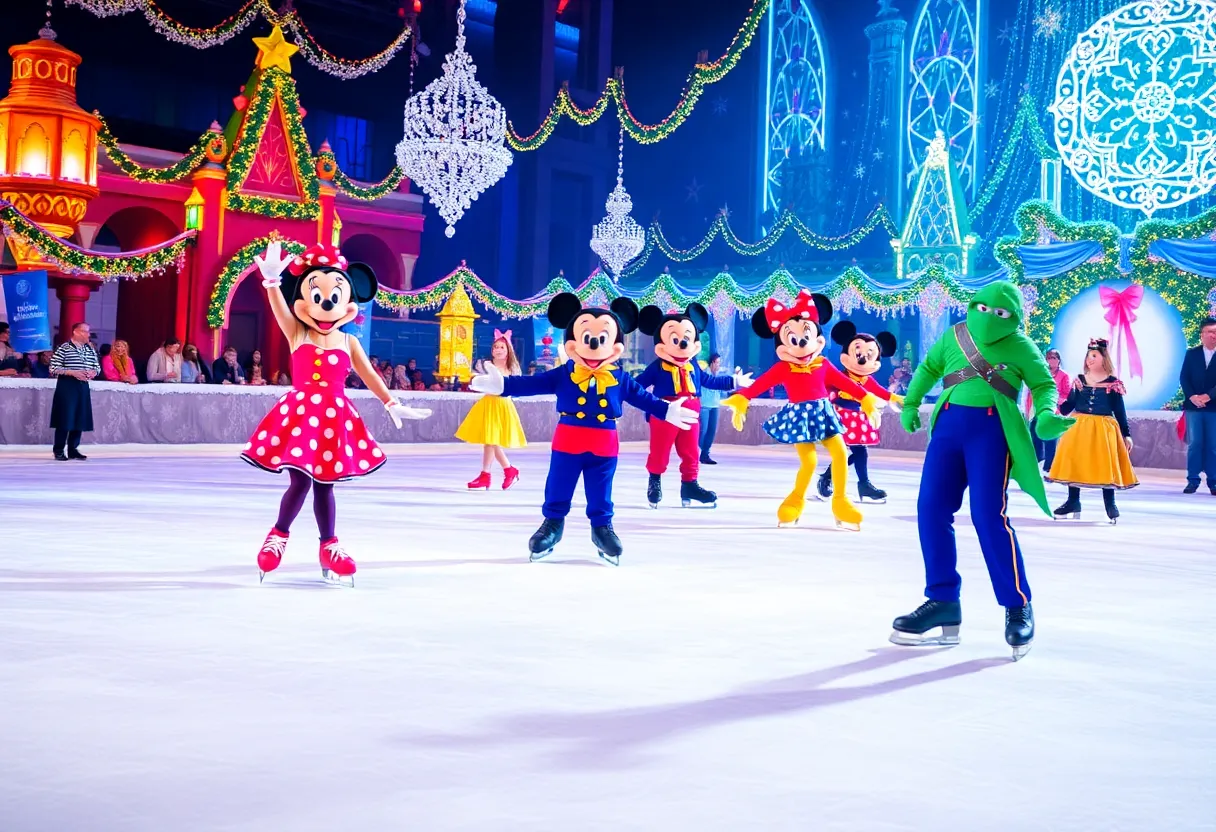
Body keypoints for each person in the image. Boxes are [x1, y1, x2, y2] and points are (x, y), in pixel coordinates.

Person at [890, 281, 1073, 661]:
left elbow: (1042, 384)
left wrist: (1046, 415)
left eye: (1002, 312)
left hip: (992, 431)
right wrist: (910, 404)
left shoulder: (1022, 345)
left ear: (1016, 315)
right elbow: (928, 368)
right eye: (985, 309)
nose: (991, 317)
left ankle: (1017, 603)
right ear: (974, 306)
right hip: (948, 428)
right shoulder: (955, 334)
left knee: (988, 516)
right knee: (930, 511)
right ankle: (942, 600)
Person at [246, 241, 431, 585]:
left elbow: (369, 375)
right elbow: (279, 311)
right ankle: (278, 536)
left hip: (332, 418)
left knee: (325, 484)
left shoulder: (349, 342)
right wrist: (271, 282)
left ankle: (328, 544)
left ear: (348, 301)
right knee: (301, 480)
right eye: (317, 297)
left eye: (335, 298)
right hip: (302, 416)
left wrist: (391, 402)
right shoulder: (297, 332)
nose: (326, 305)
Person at [469, 294, 697, 565]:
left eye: (604, 337)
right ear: (573, 342)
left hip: (605, 442)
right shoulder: (563, 373)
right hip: (568, 439)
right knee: (558, 483)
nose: (594, 343)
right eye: (586, 335)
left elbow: (644, 398)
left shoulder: (620, 378)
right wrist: (505, 387)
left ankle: (602, 528)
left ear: (614, 345)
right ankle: (552, 524)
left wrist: (667, 410)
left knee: (601, 488)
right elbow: (533, 384)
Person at [722, 290, 881, 531]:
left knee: (839, 454)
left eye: (806, 337)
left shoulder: (823, 365)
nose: (802, 344)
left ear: (817, 337)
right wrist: (742, 399)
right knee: (809, 461)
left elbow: (848, 384)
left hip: (824, 413)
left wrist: (867, 400)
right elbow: (760, 384)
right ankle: (795, 500)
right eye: (793, 340)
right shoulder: (784, 368)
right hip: (799, 417)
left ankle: (840, 502)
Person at [636, 307, 747, 508]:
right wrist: (617, 391)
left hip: (691, 413)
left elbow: (708, 381)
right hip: (665, 412)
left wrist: (733, 381)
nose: (682, 343)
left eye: (686, 338)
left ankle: (689, 484)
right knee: (660, 451)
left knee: (691, 451)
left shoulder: (693, 365)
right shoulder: (658, 367)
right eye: (675, 339)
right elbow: (637, 386)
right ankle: (655, 482)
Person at [1047, 339, 1137, 523]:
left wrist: (1126, 434)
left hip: (1103, 428)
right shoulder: (1080, 380)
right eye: (1088, 356)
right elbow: (1069, 406)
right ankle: (1073, 501)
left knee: (1104, 463)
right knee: (1076, 460)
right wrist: (1052, 403)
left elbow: (1119, 410)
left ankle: (1110, 503)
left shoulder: (1113, 383)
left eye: (1094, 356)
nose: (1090, 359)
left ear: (1104, 358)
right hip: (1079, 426)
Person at [816, 321, 903, 504]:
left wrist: (897, 399)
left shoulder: (866, 379)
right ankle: (858, 483)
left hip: (858, 418)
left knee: (857, 452)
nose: (863, 359)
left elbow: (882, 392)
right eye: (858, 353)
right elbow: (827, 391)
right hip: (840, 416)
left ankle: (830, 478)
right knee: (854, 452)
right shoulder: (840, 376)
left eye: (869, 355)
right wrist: (839, 394)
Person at [456, 329, 527, 490]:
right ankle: (487, 474)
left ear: (508, 349)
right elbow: (479, 381)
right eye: (495, 347)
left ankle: (506, 470)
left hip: (502, 405)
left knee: (492, 440)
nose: (498, 350)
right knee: (489, 441)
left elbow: (512, 387)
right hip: (488, 404)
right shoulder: (487, 365)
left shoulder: (512, 368)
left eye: (501, 347)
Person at [48, 322, 101, 461]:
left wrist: (93, 372)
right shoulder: (64, 348)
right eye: (85, 331)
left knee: (79, 418)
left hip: (83, 386)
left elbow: (97, 366)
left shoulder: (89, 349)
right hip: (67, 386)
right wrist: (72, 372)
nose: (88, 335)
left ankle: (73, 448)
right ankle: (59, 449)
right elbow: (53, 368)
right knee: (65, 418)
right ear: (76, 332)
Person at [1180, 317, 1216, 495]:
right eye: (1210, 332)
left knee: (1212, 445)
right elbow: (1184, 378)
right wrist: (1193, 396)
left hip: (1213, 407)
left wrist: (1208, 396)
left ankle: (1213, 481)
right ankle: (1192, 479)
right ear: (1202, 334)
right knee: (1195, 443)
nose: (1213, 335)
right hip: (1194, 407)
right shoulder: (1191, 354)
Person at [699, 353, 726, 465]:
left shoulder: (719, 375)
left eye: (720, 362)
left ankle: (705, 454)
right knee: (702, 430)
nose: (719, 365)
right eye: (717, 362)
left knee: (711, 431)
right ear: (712, 363)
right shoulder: (705, 374)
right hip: (704, 405)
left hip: (715, 405)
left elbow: (724, 391)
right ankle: (696, 452)